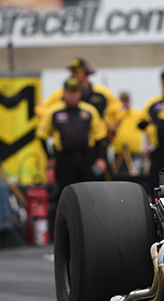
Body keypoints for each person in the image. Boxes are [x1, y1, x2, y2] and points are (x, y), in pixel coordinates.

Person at [37, 78, 107, 239]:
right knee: (64, 194)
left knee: (89, 194)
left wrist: (101, 159)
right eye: (70, 92)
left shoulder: (89, 111)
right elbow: (41, 135)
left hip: (86, 158)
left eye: (76, 92)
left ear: (80, 93)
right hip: (64, 159)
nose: (73, 95)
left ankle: (92, 230)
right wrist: (50, 157)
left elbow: (100, 137)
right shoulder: (53, 112)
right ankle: (63, 232)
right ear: (64, 93)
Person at [37, 58, 120, 122]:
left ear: (86, 73)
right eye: (72, 72)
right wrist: (57, 120)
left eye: (77, 72)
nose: (73, 75)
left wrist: (108, 125)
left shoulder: (101, 92)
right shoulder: (62, 93)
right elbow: (40, 109)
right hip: (69, 134)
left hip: (95, 136)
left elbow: (119, 110)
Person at [143, 66, 164, 191]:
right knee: (155, 183)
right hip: (159, 150)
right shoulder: (153, 104)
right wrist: (148, 145)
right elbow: (145, 124)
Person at [107, 91, 148, 175]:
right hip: (118, 154)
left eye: (126, 100)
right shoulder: (114, 115)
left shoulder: (137, 114)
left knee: (136, 176)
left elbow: (148, 130)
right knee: (117, 176)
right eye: (122, 100)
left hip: (135, 153)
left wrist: (148, 147)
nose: (124, 102)